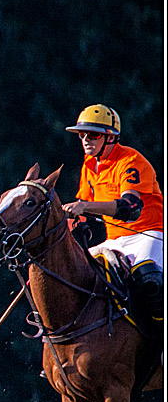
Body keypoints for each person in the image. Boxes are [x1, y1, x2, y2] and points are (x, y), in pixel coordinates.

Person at [64, 104, 164, 321]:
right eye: (82, 134)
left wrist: (84, 207)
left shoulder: (131, 160)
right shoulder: (89, 165)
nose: (86, 140)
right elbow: (80, 211)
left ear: (110, 137)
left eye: (93, 135)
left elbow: (130, 208)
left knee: (150, 282)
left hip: (148, 234)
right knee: (71, 274)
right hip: (113, 241)